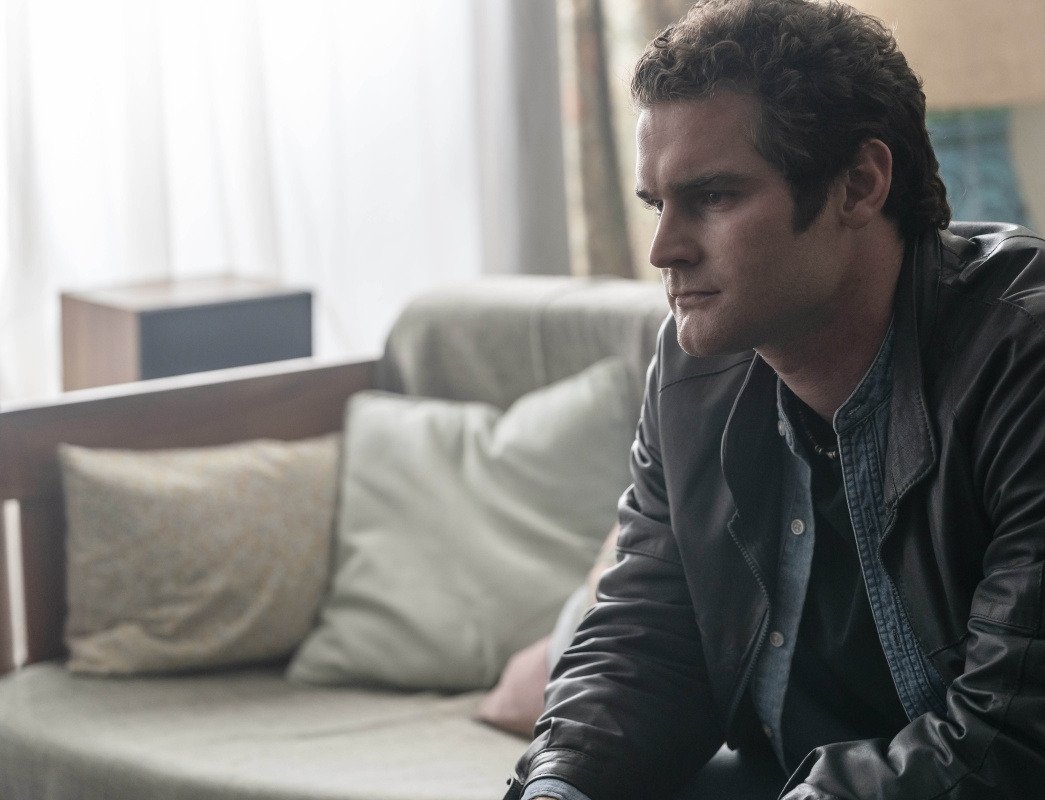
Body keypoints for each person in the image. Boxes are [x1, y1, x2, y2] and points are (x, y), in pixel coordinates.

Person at [502, 0, 1045, 798]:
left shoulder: (1021, 357)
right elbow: (648, 642)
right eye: (656, 204)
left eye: (713, 197)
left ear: (859, 184)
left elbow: (1011, 737)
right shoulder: (691, 369)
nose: (662, 249)